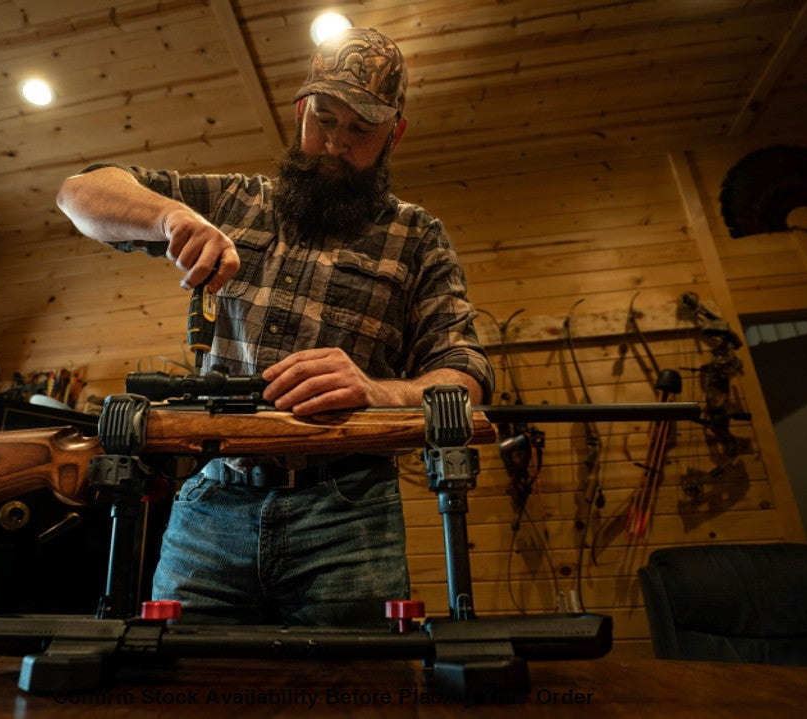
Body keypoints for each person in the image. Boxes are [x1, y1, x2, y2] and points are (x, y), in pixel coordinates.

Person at [56, 27, 494, 626]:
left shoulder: (419, 239)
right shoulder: (238, 201)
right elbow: (78, 191)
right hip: (211, 505)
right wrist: (170, 217)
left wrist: (378, 394)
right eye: (323, 119)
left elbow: (465, 380)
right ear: (299, 112)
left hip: (350, 516)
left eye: (361, 130)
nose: (334, 144)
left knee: (357, 694)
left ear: (394, 134)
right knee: (175, 689)